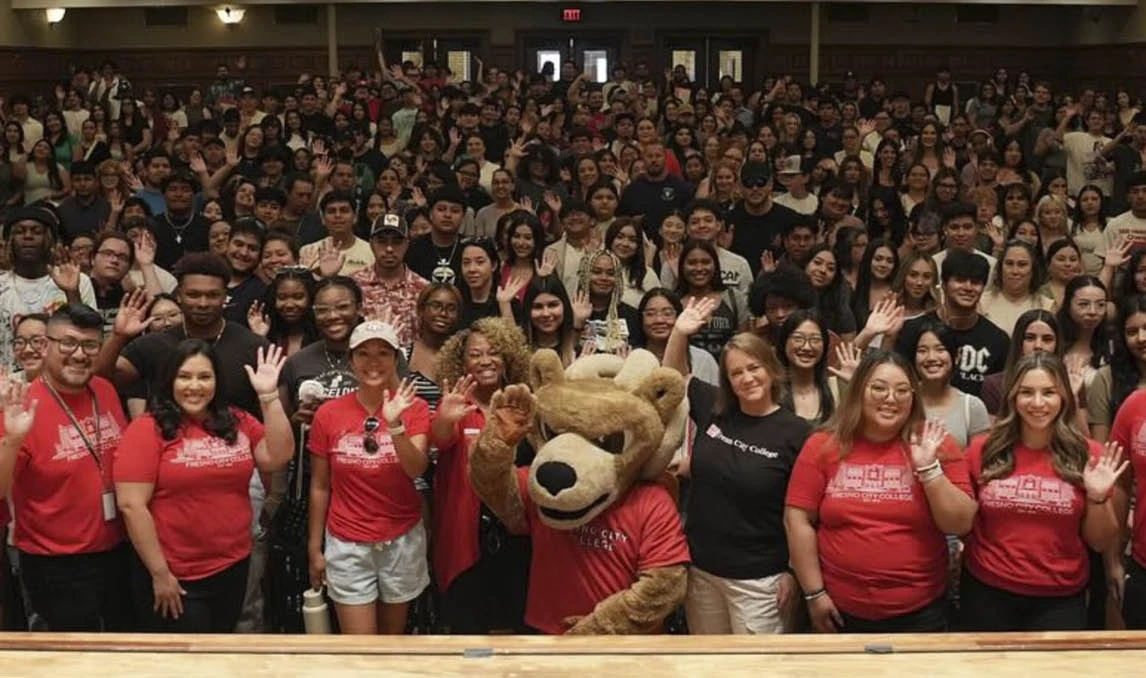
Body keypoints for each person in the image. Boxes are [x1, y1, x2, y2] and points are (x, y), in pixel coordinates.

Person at [784, 350, 977, 632]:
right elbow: (797, 520)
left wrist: (929, 470)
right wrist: (814, 594)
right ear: (859, 390)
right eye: (879, 388)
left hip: (921, 610)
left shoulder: (935, 442)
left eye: (902, 391)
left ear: (913, 397)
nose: (890, 398)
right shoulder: (823, 444)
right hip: (839, 608)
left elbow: (960, 524)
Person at [115, 342, 292, 633]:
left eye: (204, 377)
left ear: (217, 381)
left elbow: (278, 455)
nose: (194, 386)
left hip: (232, 565)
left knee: (219, 650)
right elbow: (131, 506)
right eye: (184, 376)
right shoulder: (147, 429)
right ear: (169, 380)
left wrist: (269, 397)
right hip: (176, 575)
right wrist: (160, 574)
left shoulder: (237, 420)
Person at [662, 297, 810, 634]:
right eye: (736, 373)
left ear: (771, 370)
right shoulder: (715, 408)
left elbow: (803, 511)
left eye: (754, 368)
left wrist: (793, 572)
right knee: (708, 666)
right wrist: (679, 332)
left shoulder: (796, 433)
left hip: (760, 581)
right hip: (702, 571)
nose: (747, 378)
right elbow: (671, 379)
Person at [961, 353, 1125, 631]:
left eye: (1048, 392)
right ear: (1012, 397)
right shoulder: (982, 449)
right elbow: (961, 520)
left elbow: (1100, 542)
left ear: (1063, 397)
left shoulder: (1088, 454)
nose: (1038, 403)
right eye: (1027, 392)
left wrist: (1097, 497)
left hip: (1059, 597)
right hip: (987, 590)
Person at [0, 304, 132, 632]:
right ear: (45, 346)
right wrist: (13, 440)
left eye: (89, 345)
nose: (79, 355)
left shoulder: (105, 390)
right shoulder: (21, 406)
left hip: (117, 549)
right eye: (68, 343)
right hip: (56, 564)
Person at [307, 320, 432, 634]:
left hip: (401, 537)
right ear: (351, 361)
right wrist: (314, 547)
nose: (373, 362)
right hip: (347, 540)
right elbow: (320, 486)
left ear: (395, 359)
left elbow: (416, 468)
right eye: (363, 354)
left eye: (382, 353)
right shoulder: (329, 414)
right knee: (360, 648)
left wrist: (397, 425)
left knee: (391, 642)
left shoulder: (414, 407)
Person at [430, 317, 532, 633]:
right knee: (467, 634)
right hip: (465, 536)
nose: (486, 360)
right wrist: (445, 419)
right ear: (462, 362)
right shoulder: (454, 405)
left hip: (518, 537)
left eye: (494, 352)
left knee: (516, 632)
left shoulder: (524, 404)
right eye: (475, 354)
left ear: (508, 357)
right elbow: (439, 440)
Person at [97, 253, 269, 418]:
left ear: (225, 296)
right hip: (168, 442)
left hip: (234, 442)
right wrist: (118, 336)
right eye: (193, 295)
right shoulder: (153, 344)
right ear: (178, 295)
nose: (203, 303)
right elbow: (101, 380)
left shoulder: (254, 346)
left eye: (212, 295)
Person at [895, 250, 1009, 398]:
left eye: (975, 282)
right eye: (960, 280)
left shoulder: (999, 341)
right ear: (943, 284)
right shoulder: (911, 330)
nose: (968, 287)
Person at [351, 212, 428, 347]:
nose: (389, 248)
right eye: (382, 241)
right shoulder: (353, 284)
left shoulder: (423, 288)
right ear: (371, 244)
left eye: (397, 242)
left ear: (407, 244)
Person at [981, 309, 1061, 416]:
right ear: (1018, 342)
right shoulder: (994, 385)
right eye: (1030, 338)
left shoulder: (1070, 383)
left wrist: (1072, 397)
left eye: (1047, 339)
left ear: (1057, 344)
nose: (1038, 345)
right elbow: (995, 432)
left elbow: (1081, 432)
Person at [979, 240, 1052, 337]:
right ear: (1000, 267)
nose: (1015, 271)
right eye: (1009, 263)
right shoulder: (981, 303)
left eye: (1022, 264)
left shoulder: (1047, 306)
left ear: (1033, 269)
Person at [300, 192, 375, 277]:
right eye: (331, 211)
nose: (338, 215)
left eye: (344, 211)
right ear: (323, 219)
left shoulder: (371, 251)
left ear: (355, 217)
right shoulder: (308, 251)